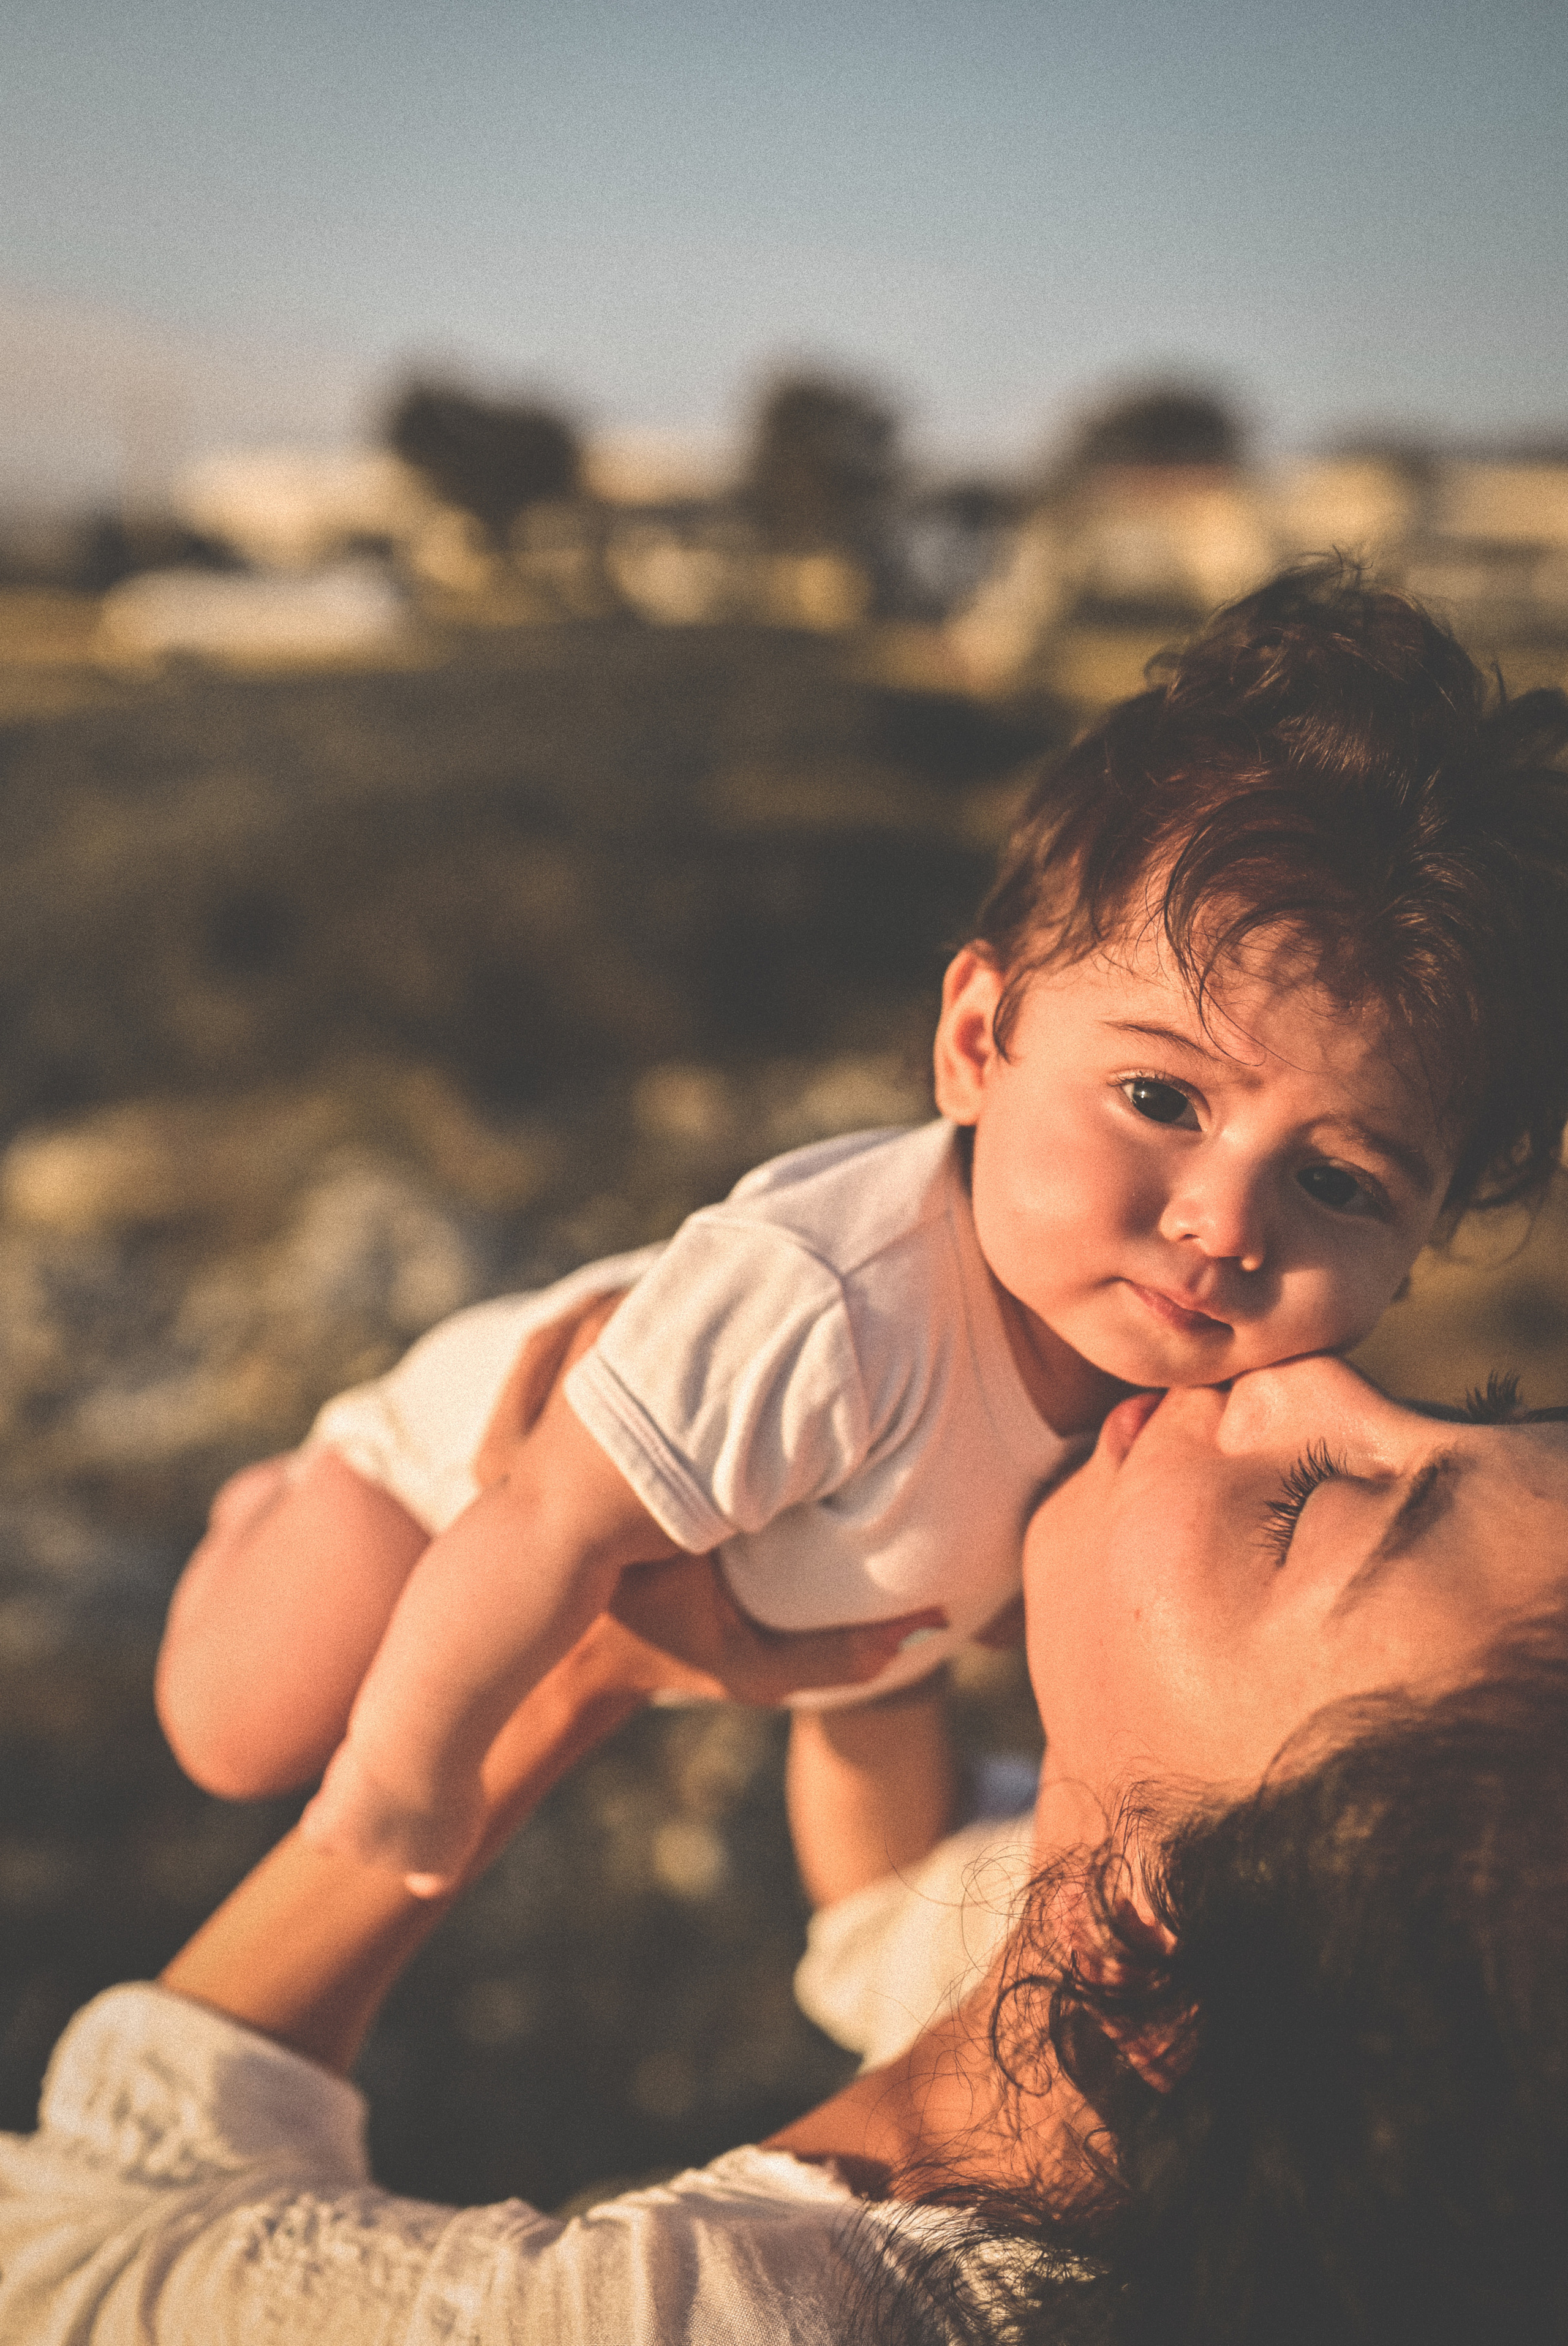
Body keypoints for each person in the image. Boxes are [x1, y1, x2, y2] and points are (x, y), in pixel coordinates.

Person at [153, 565, 1568, 1894]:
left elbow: (930, 1637)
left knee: (867, 1734)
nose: (1222, 1222)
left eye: (1339, 1184)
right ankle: (260, 1503)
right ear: (973, 1042)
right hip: (448, 1489)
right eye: (1158, 1099)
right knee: (237, 1728)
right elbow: (543, 1519)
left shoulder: (1196, 1401)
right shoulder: (830, 1297)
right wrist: (411, 1770)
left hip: (807, 1584)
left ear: (1420, 1239)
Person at [5, 1352, 1566, 2342]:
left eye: (1317, 1506)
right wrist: (869, 1600)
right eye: (1483, 1409)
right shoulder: (1201, 2117)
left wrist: (560, 1677)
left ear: (1150, 1962)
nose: (1306, 1375)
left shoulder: (740, 2321)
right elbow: (893, 1900)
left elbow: (76, 2257)